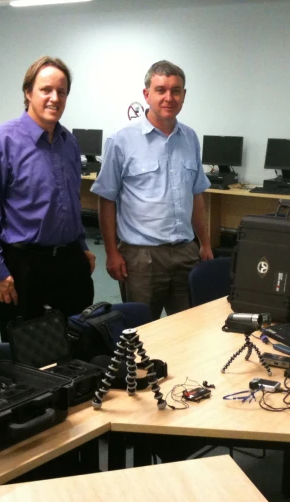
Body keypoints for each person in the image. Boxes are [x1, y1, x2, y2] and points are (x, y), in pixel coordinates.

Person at [0, 56, 95, 340]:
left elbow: (70, 202)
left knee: (78, 342)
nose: (54, 98)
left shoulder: (69, 142)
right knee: (28, 351)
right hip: (24, 266)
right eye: (46, 90)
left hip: (70, 261)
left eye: (61, 92)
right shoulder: (1, 142)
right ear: (28, 93)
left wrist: (82, 245)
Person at [91, 60, 213, 319]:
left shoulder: (190, 138)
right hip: (140, 258)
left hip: (185, 253)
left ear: (184, 95)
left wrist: (205, 244)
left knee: (189, 329)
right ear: (147, 94)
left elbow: (197, 195)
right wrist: (112, 253)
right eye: (161, 90)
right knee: (141, 334)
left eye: (176, 90)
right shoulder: (121, 140)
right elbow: (106, 199)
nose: (169, 97)